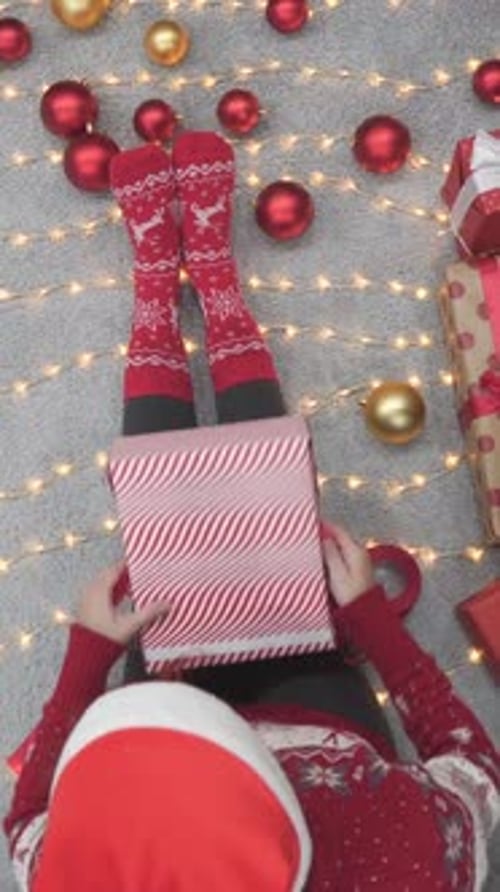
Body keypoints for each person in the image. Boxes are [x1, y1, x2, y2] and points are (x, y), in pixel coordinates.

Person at [4, 133, 499, 891]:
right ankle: (215, 281)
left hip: (156, 719)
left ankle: (156, 290)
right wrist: (370, 620)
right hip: (317, 720)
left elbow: (25, 829)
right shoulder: (410, 854)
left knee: (164, 507)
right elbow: (473, 768)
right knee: (260, 498)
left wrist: (85, 664)